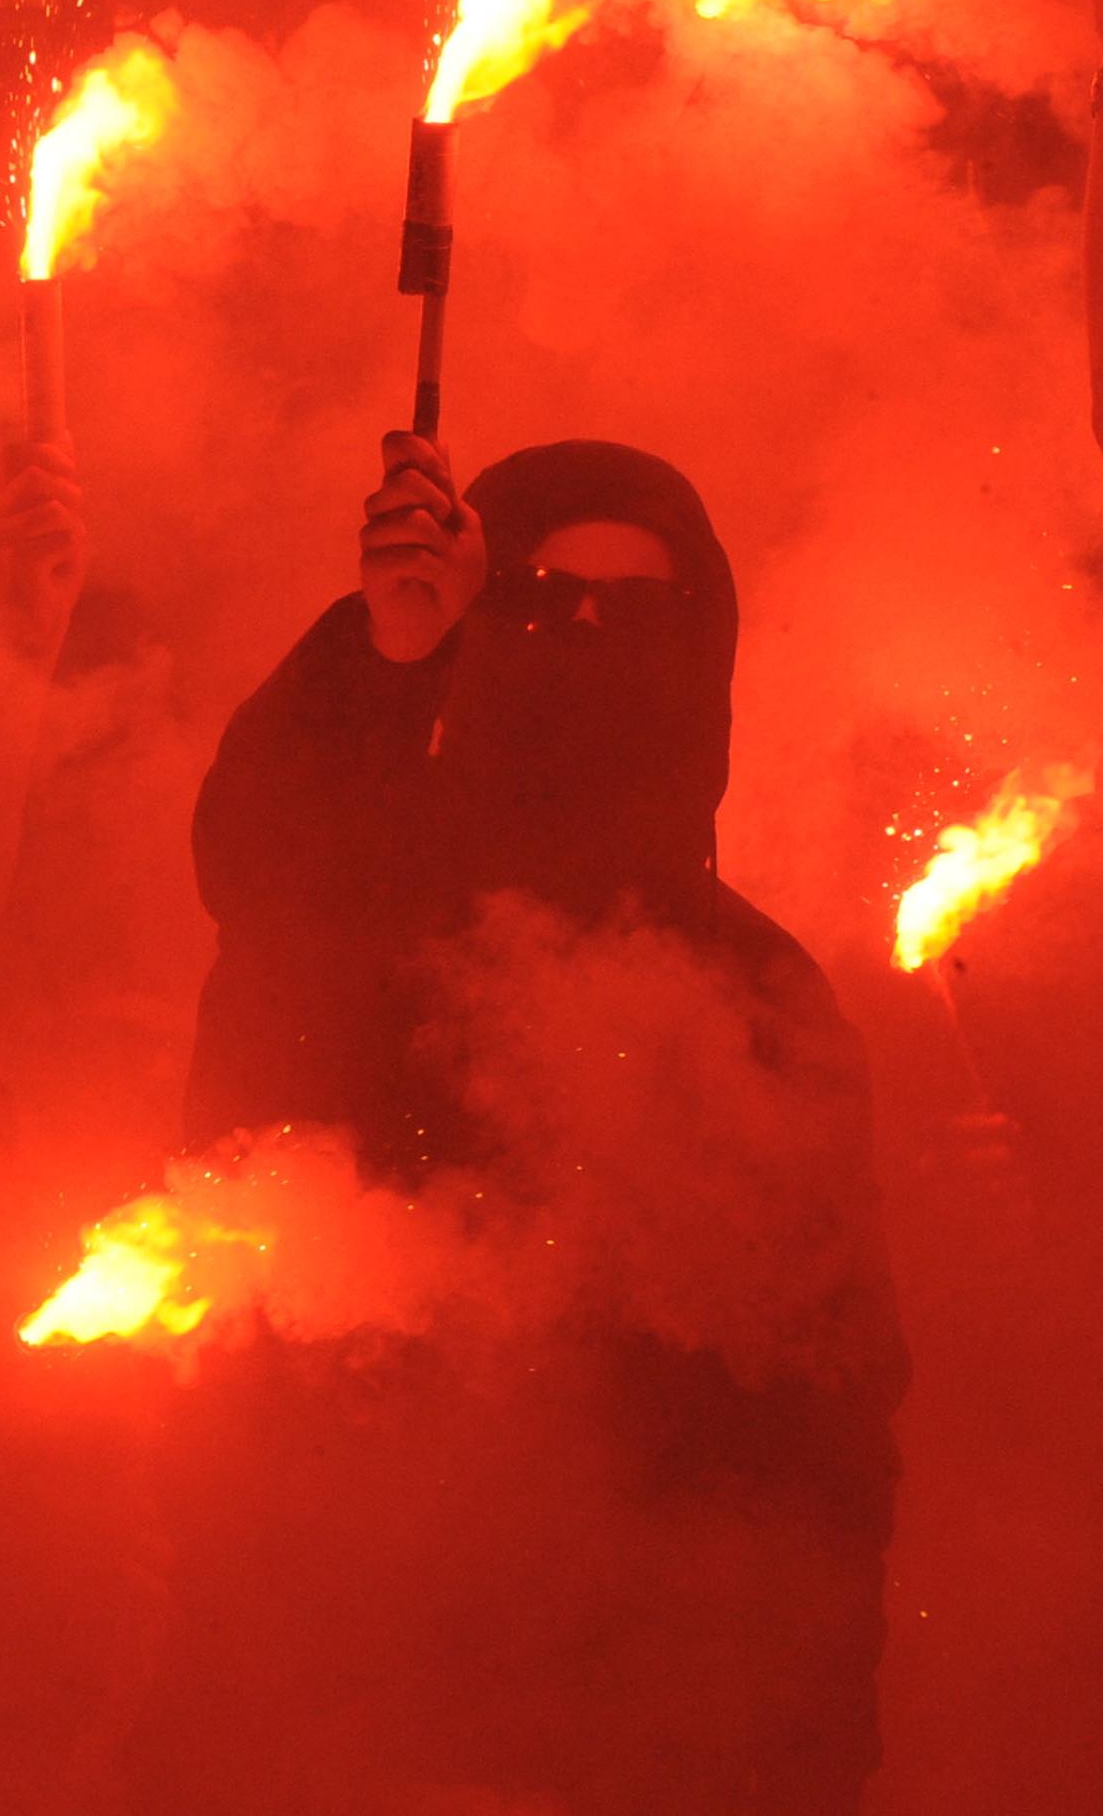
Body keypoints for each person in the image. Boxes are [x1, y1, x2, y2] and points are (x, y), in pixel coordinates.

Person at [147, 435, 906, 1816]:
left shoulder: (760, 994)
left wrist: (808, 1744)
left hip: (656, 1723)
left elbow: (833, 1417)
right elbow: (262, 873)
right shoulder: (379, 908)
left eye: (639, 611)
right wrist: (385, 660)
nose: (590, 642)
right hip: (336, 1696)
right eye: (545, 601)